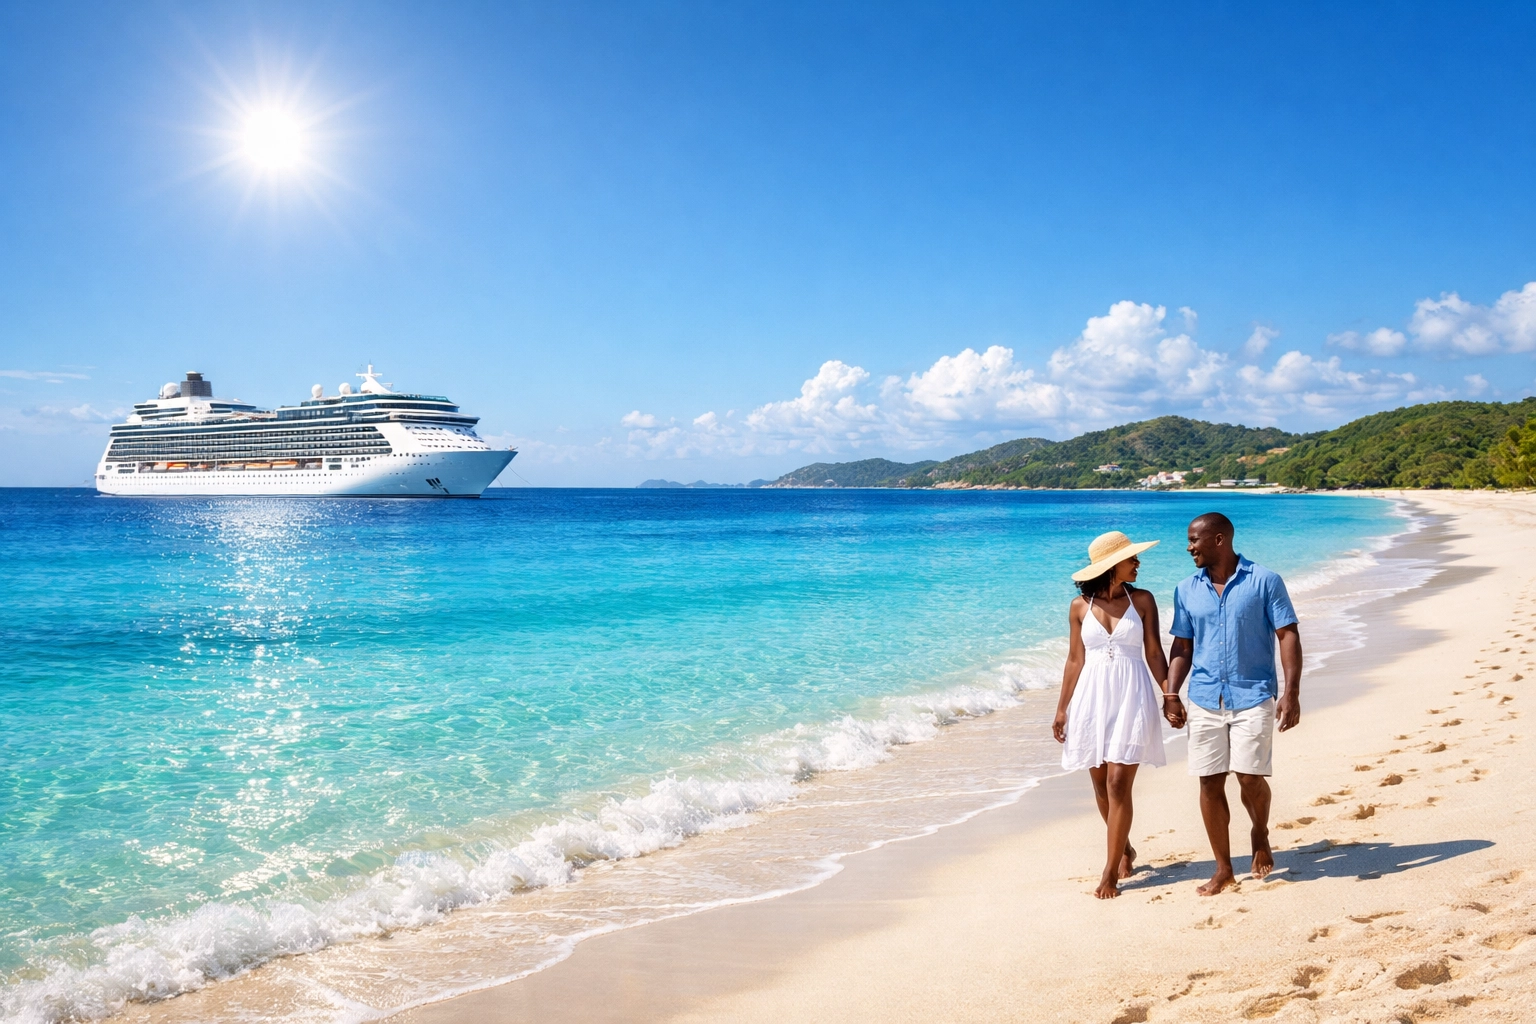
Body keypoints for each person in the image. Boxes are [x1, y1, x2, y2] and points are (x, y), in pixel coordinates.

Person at [1164, 512, 1303, 896]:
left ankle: (1260, 831)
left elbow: (1287, 635)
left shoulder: (1265, 581)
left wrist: (1291, 692)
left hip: (1253, 692)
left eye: (1194, 539)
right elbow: (1182, 645)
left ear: (1220, 539)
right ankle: (1223, 867)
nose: (1189, 546)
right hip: (1206, 696)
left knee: (1249, 776)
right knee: (1209, 782)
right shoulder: (1186, 589)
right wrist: (1171, 693)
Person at [1053, 530, 1178, 899]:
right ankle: (1124, 847)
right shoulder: (1079, 606)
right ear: (1112, 566)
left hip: (1132, 694)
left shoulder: (1142, 600)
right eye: (1132, 559)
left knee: (1118, 783)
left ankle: (1109, 872)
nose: (1138, 563)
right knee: (1099, 784)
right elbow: (1075, 659)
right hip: (1091, 698)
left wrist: (1169, 694)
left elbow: (1154, 652)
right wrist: (1062, 709)